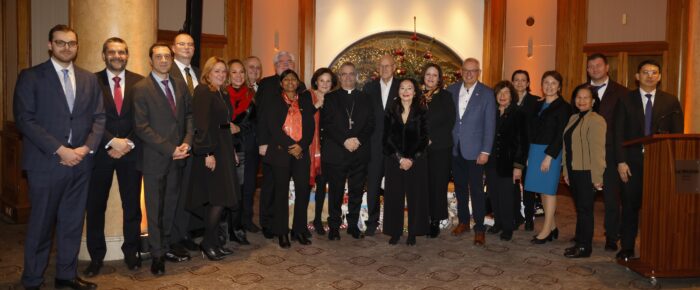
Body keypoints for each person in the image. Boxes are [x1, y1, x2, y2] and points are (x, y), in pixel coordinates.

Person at [14, 24, 105, 290]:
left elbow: (99, 117)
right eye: (61, 42)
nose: (67, 47)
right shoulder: (31, 77)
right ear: (50, 45)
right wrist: (60, 149)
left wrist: (86, 148)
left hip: (81, 163)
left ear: (77, 46)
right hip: (45, 164)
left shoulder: (89, 79)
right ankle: (32, 280)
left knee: (72, 223)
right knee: (41, 226)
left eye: (72, 43)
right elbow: (25, 119)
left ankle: (65, 277)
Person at [84, 37, 144, 277]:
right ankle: (96, 257)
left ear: (127, 55)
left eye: (121, 52)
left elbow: (143, 117)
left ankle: (131, 252)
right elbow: (87, 115)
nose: (117, 56)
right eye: (112, 52)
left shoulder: (140, 82)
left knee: (132, 207)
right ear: (104, 55)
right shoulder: (91, 81)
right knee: (95, 206)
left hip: (131, 151)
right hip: (101, 152)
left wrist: (126, 142)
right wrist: (111, 141)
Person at [133, 42, 193, 276]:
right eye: (158, 57)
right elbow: (141, 127)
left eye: (167, 56)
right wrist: (170, 148)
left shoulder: (179, 84)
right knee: (155, 207)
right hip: (155, 158)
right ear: (151, 60)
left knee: (170, 206)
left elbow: (189, 115)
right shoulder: (141, 88)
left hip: (179, 155)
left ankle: (166, 245)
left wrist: (187, 140)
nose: (164, 60)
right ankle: (156, 254)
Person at [614, 59, 683, 260]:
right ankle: (627, 247)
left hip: (660, 164)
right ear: (637, 76)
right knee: (629, 206)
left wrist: (673, 165)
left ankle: (656, 246)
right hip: (631, 163)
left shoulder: (671, 102)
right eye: (645, 72)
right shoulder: (625, 100)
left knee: (657, 208)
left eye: (654, 72)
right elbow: (617, 133)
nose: (650, 75)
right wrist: (620, 161)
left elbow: (677, 135)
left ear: (660, 77)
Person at [570, 53, 627, 251]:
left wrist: (622, 157)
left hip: (610, 153)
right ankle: (582, 234)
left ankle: (612, 236)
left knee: (611, 198)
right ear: (587, 70)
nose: (594, 69)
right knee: (584, 199)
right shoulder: (581, 92)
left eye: (598, 65)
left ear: (607, 67)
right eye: (590, 66)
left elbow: (624, 126)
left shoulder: (621, 92)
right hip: (585, 155)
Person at [187, 56, 240, 261]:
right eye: (216, 71)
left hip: (224, 148)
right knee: (217, 199)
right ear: (207, 73)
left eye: (223, 71)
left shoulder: (222, 92)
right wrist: (206, 153)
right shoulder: (203, 91)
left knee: (222, 198)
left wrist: (232, 150)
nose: (220, 74)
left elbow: (225, 125)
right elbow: (201, 125)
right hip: (212, 150)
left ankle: (214, 241)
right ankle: (207, 243)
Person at [257, 69, 315, 248]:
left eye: (294, 79)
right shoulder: (273, 101)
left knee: (303, 192)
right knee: (281, 193)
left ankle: (299, 230)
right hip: (281, 152)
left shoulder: (305, 99)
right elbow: (273, 127)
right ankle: (282, 232)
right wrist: (292, 146)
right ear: (281, 84)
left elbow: (310, 126)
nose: (290, 82)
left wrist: (301, 146)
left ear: (298, 83)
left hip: (301, 152)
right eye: (286, 79)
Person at [321, 62, 374, 240]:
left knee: (356, 192)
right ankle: (334, 227)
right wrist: (344, 140)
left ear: (356, 76)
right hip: (337, 152)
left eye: (352, 74)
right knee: (335, 192)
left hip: (359, 152)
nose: (348, 77)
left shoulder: (365, 98)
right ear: (340, 77)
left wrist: (357, 140)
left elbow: (370, 124)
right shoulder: (330, 98)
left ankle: (352, 226)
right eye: (344, 74)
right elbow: (326, 124)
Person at [446, 58, 496, 245]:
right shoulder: (451, 90)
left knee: (476, 190)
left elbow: (490, 125)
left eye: (473, 70)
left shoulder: (487, 93)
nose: (469, 74)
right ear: (461, 71)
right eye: (466, 70)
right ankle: (464, 222)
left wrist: (485, 151)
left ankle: (480, 228)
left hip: (476, 152)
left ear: (479, 72)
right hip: (455, 149)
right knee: (459, 189)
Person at [525, 70, 572, 244]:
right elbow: (532, 128)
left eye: (553, 83)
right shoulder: (539, 104)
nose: (549, 86)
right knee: (541, 189)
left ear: (559, 86)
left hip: (551, 152)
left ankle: (545, 231)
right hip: (535, 149)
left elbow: (561, 134)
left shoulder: (564, 107)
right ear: (542, 85)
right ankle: (552, 227)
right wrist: (530, 153)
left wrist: (549, 157)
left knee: (549, 190)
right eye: (546, 83)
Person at [383, 78, 430, 246]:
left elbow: (424, 139)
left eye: (409, 88)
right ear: (398, 91)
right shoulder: (390, 110)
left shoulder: (422, 111)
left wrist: (410, 158)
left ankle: (413, 232)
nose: (405, 91)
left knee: (415, 197)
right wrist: (399, 158)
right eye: (402, 88)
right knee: (394, 197)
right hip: (394, 161)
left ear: (415, 92)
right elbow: (386, 138)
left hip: (416, 161)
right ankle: (394, 232)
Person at [562, 86, 606, 258]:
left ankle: (584, 247)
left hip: (587, 172)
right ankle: (579, 241)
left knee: (585, 209)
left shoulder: (597, 120)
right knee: (580, 208)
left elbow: (598, 151)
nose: (581, 100)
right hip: (574, 170)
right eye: (578, 97)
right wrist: (566, 171)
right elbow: (567, 148)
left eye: (586, 97)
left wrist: (597, 177)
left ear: (593, 101)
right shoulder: (573, 118)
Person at [168, 32, 201, 254]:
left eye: (190, 44)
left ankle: (184, 232)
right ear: (173, 48)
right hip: (175, 144)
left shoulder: (198, 73)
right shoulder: (166, 72)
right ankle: (171, 238)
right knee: (173, 193)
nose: (187, 48)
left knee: (190, 190)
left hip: (197, 142)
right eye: (182, 44)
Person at [484, 81, 527, 241]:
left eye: (506, 93)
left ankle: (508, 227)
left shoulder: (518, 113)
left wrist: (518, 166)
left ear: (512, 95)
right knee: (493, 194)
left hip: (509, 163)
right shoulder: (491, 112)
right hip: (491, 161)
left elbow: (522, 142)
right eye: (499, 93)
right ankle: (498, 223)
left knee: (507, 196)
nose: (502, 96)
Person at [363, 55, 399, 236]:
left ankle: (392, 224)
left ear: (395, 67)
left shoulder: (403, 86)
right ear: (378, 68)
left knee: (393, 186)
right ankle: (372, 222)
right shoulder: (369, 88)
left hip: (395, 147)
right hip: (374, 145)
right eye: (381, 66)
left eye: (388, 66)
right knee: (373, 185)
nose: (384, 69)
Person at [420, 63, 455, 238]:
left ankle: (435, 220)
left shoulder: (446, 96)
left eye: (435, 75)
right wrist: (421, 138)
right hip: (420, 149)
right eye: (428, 74)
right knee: (423, 184)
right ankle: (423, 218)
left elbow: (450, 122)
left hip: (441, 148)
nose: (431, 78)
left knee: (438, 185)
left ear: (439, 78)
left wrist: (433, 138)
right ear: (423, 76)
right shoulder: (416, 95)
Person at [225, 59, 255, 243]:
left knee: (240, 191)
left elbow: (254, 124)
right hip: (224, 149)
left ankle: (236, 229)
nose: (238, 76)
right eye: (234, 72)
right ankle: (223, 229)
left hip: (242, 149)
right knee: (223, 192)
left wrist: (239, 129)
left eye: (241, 72)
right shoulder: (220, 94)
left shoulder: (252, 96)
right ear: (229, 75)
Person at [306, 68, 338, 235]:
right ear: (316, 81)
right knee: (312, 186)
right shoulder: (307, 96)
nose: (325, 84)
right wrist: (317, 105)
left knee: (326, 186)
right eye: (322, 80)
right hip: (311, 149)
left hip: (330, 150)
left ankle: (325, 219)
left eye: (328, 81)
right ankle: (309, 220)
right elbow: (302, 118)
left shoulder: (335, 99)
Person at [511, 70, 540, 231]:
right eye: (516, 80)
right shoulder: (507, 100)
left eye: (523, 80)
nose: (520, 83)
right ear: (512, 82)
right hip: (512, 151)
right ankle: (516, 216)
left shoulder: (536, 102)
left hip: (529, 151)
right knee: (513, 185)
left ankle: (529, 217)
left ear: (528, 83)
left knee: (529, 187)